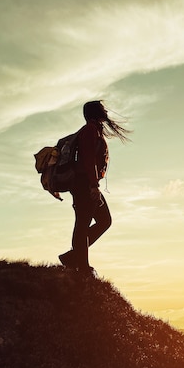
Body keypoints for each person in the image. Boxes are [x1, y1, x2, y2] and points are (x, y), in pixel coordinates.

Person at [58, 101, 130, 276]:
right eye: (102, 109)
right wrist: (93, 185)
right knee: (84, 222)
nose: (105, 111)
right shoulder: (90, 130)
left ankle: (73, 258)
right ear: (96, 113)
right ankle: (81, 266)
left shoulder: (93, 130)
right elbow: (88, 159)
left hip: (85, 182)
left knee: (101, 221)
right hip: (84, 183)